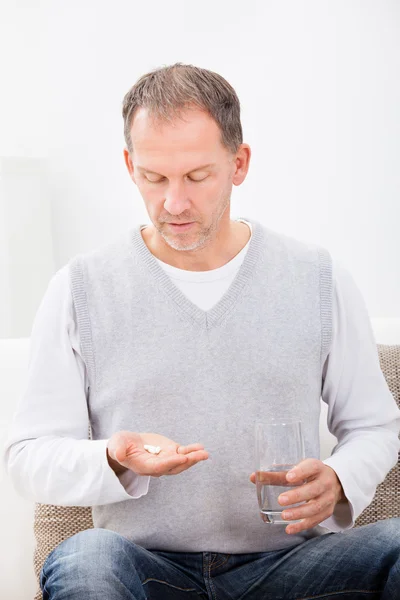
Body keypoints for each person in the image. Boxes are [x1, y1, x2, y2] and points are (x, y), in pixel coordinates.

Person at [3, 62, 400, 600]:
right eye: (154, 177)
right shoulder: (79, 289)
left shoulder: (317, 278)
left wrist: (339, 479)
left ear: (239, 164)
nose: (175, 203)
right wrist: (112, 458)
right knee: (84, 557)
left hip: (290, 566)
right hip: (145, 568)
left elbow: (375, 426)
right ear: (129, 165)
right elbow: (28, 457)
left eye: (197, 176)